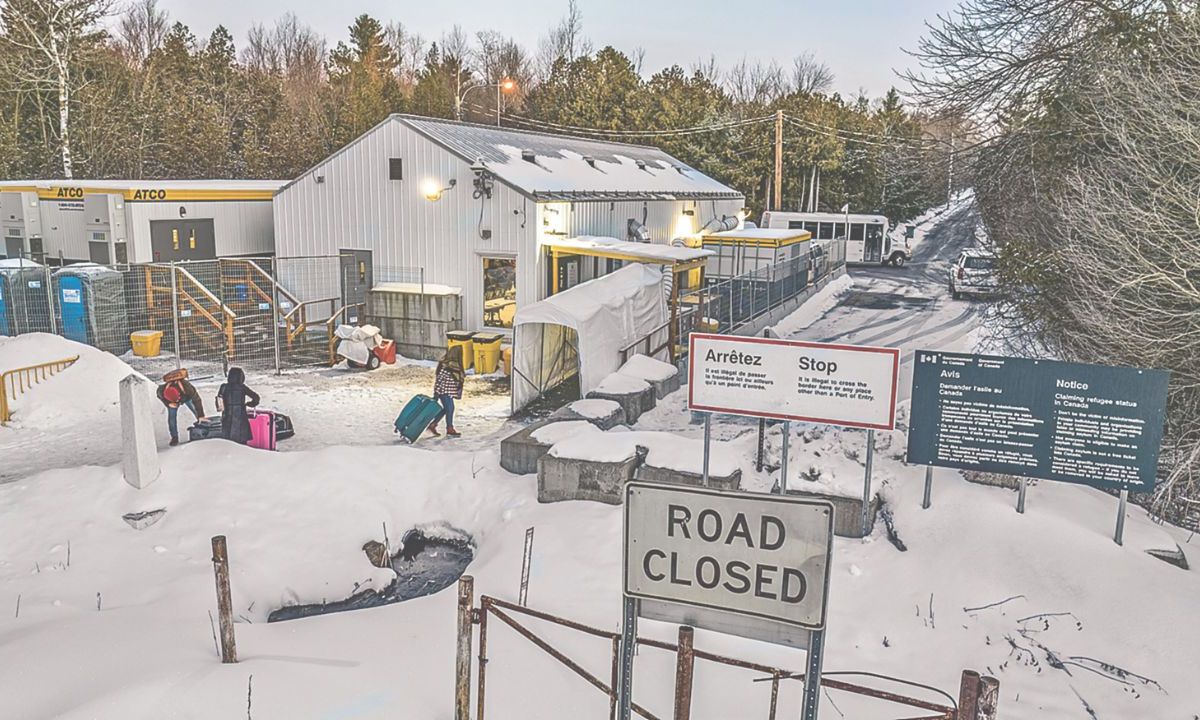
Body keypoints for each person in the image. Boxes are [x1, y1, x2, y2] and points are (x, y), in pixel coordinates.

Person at [156, 369, 205, 446]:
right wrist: (168, 403)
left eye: (177, 400)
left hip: (186, 398)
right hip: (170, 402)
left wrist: (201, 415)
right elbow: (160, 396)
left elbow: (197, 400)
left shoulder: (187, 387)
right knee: (171, 418)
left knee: (195, 410)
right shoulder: (161, 391)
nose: (178, 402)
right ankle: (174, 437)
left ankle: (203, 426)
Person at [215, 367, 260, 445]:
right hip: (240, 417)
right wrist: (250, 404)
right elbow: (256, 398)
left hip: (227, 417)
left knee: (227, 442)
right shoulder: (242, 388)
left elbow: (219, 403)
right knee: (242, 442)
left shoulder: (224, 387)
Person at [428, 345, 465, 437]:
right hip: (444, 391)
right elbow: (440, 379)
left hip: (447, 391)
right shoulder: (447, 365)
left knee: (446, 409)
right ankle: (450, 429)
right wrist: (436, 392)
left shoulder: (449, 364)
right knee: (450, 408)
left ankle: (433, 425)